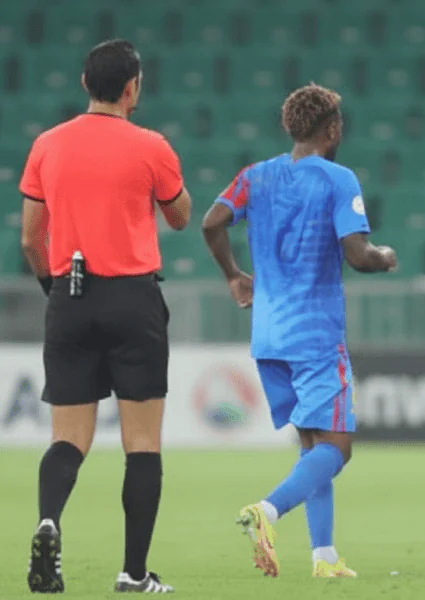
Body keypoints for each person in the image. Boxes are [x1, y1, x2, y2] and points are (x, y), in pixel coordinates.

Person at [201, 83, 396, 579]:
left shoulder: (255, 176)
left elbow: (212, 221)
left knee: (313, 446)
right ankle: (266, 512)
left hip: (268, 334)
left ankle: (324, 558)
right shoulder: (337, 178)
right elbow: (357, 254)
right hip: (314, 333)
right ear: (332, 129)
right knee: (337, 447)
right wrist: (384, 257)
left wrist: (233, 275)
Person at [20, 39, 191, 594]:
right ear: (132, 87)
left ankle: (48, 521)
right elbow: (182, 216)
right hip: (132, 299)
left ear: (83, 82)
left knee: (68, 438)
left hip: (68, 295)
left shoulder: (47, 144)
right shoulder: (151, 145)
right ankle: (134, 573)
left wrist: (55, 289)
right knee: (142, 444)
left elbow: (30, 237)